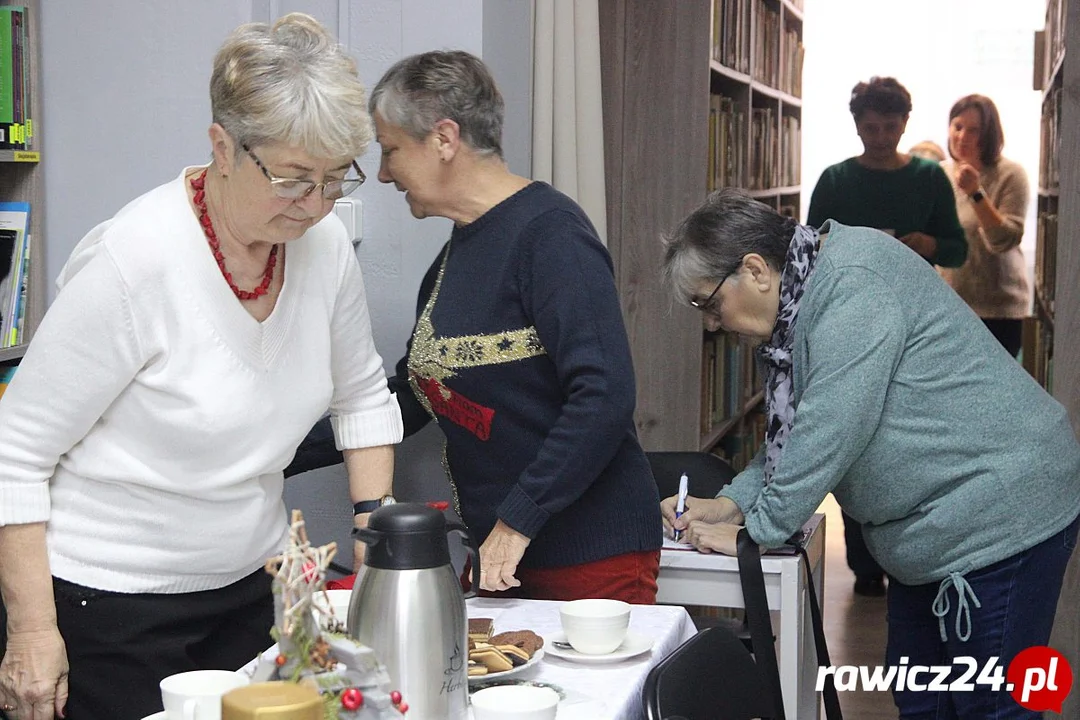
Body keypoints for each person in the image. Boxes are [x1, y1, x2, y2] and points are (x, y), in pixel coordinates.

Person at [0, 14, 403, 719]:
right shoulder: (135, 261)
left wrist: (372, 525)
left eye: (335, 180)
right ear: (223, 147)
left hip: (254, 585)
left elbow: (363, 395)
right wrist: (32, 631)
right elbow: (13, 455)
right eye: (291, 179)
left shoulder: (325, 249)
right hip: (110, 605)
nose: (314, 206)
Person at [660, 189, 1080, 718]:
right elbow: (797, 433)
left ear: (755, 270)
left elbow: (832, 427)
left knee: (991, 707)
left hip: (1000, 517)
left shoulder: (852, 284)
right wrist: (732, 503)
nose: (712, 323)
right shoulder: (806, 297)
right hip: (932, 535)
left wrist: (757, 531)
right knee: (921, 701)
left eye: (709, 302)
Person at [289, 50, 662, 603]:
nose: (385, 174)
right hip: (501, 550)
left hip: (586, 553)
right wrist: (277, 452)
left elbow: (604, 395)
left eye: (390, 150)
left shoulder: (553, 235)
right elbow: (414, 398)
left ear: (444, 138)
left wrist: (517, 522)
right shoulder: (452, 257)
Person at [807, 76, 968, 595]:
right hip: (847, 322)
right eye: (869, 127)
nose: (879, 136)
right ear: (856, 125)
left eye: (889, 126)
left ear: (905, 123)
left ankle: (912, 552)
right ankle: (864, 564)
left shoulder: (929, 177)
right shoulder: (835, 180)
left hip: (915, 322)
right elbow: (808, 249)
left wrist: (925, 241)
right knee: (852, 439)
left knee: (907, 440)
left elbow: (958, 249)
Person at [938, 94, 1030, 358]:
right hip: (949, 306)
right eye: (958, 126)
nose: (963, 136)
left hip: (998, 310)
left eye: (974, 130)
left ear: (989, 134)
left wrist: (976, 193)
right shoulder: (939, 174)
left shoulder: (1011, 174)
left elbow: (1004, 240)